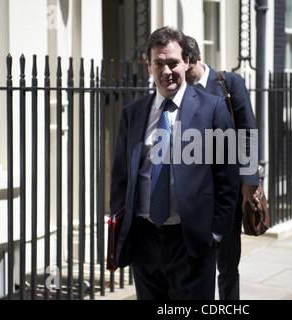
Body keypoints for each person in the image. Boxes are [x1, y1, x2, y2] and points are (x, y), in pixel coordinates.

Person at [109, 26, 239, 300]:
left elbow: (227, 178)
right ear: (149, 66)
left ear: (187, 62)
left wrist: (214, 234)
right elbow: (121, 178)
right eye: (159, 63)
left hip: (190, 242)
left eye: (173, 62)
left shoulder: (212, 109)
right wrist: (121, 224)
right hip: (145, 242)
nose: (167, 71)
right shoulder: (133, 115)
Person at [184, 35, 259, 300]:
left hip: (226, 190)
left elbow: (247, 131)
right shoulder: (181, 91)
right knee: (195, 263)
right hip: (193, 190)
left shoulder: (229, 83)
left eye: (184, 66)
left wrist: (250, 183)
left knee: (227, 264)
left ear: (193, 60)